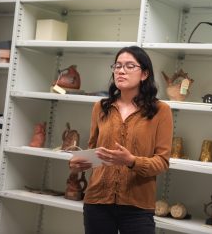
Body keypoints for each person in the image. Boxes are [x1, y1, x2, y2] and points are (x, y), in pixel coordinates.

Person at [69, 46, 173, 234]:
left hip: (138, 207)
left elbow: (162, 162)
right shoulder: (100, 107)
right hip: (97, 202)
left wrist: (131, 161)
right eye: (117, 66)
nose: (121, 71)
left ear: (144, 74)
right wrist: (81, 163)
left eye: (129, 66)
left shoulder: (161, 111)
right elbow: (93, 150)